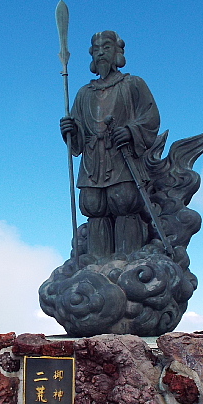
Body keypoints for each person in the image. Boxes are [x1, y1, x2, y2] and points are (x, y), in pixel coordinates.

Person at [60, 30, 160, 258]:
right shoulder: (84, 94)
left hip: (122, 159)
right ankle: (98, 267)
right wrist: (70, 130)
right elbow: (76, 135)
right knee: (93, 206)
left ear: (117, 52)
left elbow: (151, 116)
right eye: (96, 49)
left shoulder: (133, 84)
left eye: (106, 47)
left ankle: (128, 263)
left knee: (124, 202)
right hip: (93, 163)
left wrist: (131, 131)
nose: (101, 53)